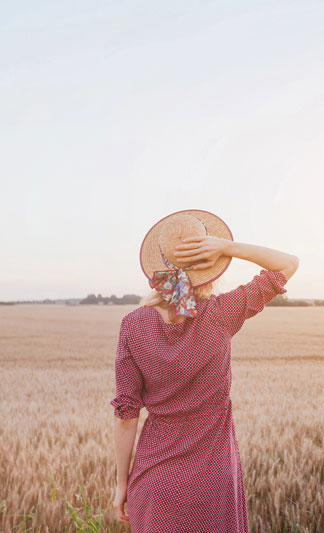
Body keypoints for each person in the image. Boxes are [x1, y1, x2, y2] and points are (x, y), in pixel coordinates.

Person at [110, 209, 299, 532]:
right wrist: (227, 247)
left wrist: (121, 485)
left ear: (157, 263)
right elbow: (287, 264)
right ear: (211, 266)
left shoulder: (132, 325)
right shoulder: (221, 314)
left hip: (154, 482)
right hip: (213, 482)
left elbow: (126, 416)